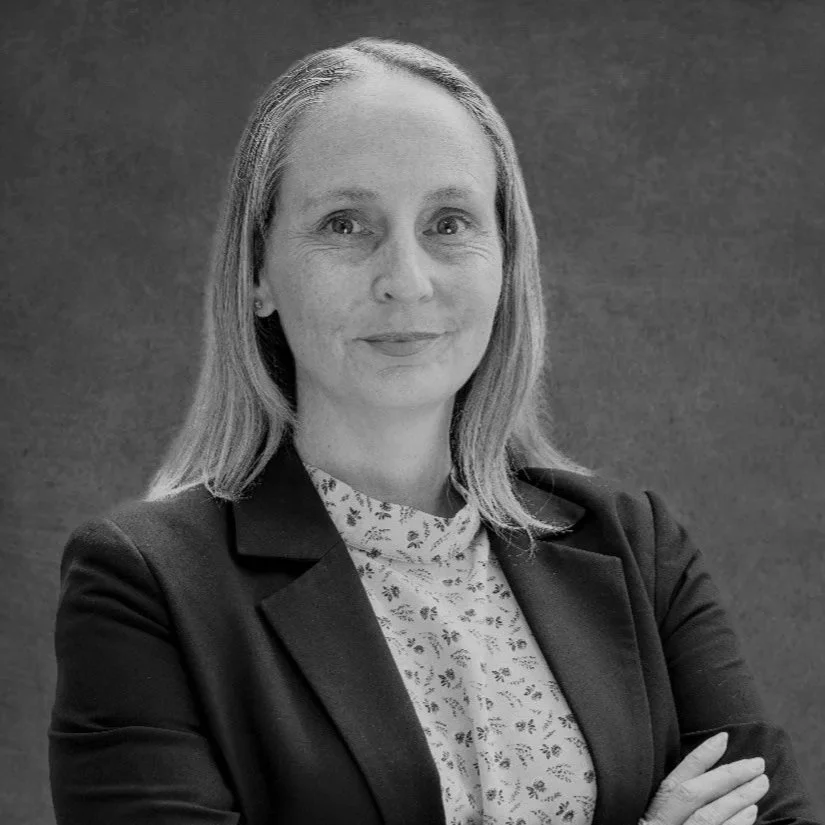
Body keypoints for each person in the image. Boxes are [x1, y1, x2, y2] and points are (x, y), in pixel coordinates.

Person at [48, 36, 820, 825]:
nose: (406, 280)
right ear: (257, 273)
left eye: (448, 222)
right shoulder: (146, 585)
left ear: (505, 263)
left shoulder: (637, 548)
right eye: (345, 224)